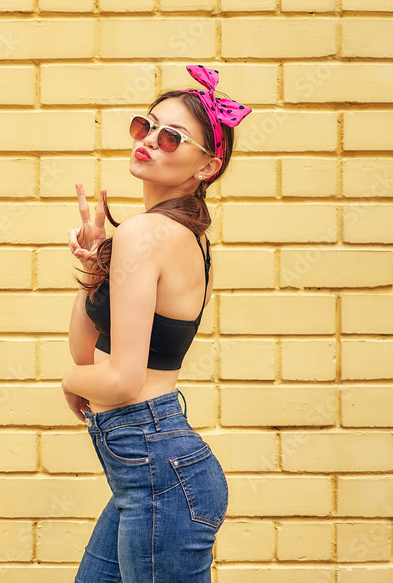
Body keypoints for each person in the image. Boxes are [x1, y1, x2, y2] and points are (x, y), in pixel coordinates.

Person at [61, 65, 251, 582]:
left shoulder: (147, 233)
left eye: (172, 137)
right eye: (145, 127)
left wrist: (68, 383)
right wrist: (96, 260)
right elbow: (86, 351)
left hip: (156, 470)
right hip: (151, 474)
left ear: (208, 166)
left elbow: (117, 380)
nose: (150, 142)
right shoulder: (169, 235)